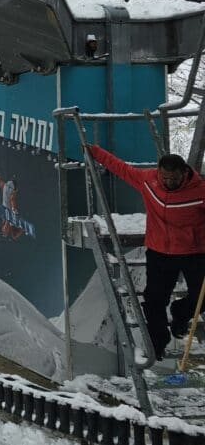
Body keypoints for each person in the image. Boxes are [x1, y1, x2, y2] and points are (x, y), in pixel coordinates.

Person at [86, 145, 205, 358]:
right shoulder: (148, 181)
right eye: (164, 178)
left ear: (184, 173)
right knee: (154, 300)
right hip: (159, 251)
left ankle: (181, 313)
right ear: (158, 172)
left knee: (202, 296)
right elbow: (120, 168)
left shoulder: (199, 191)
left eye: (173, 179)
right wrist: (94, 151)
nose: (168, 183)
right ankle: (157, 343)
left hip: (194, 251)